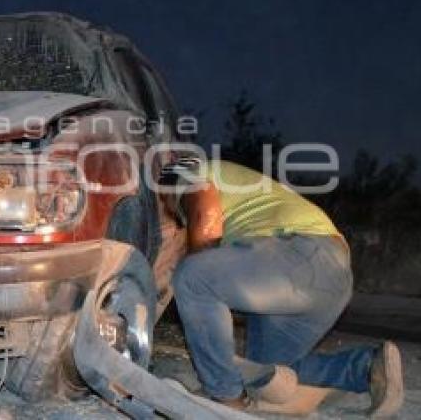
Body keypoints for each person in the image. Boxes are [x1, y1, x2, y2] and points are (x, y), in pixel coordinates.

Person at [160, 158, 404, 416]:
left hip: (300, 251)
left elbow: (205, 219)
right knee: (269, 371)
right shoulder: (243, 197)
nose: (167, 210)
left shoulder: (187, 172)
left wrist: (198, 279)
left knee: (193, 276)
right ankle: (364, 367)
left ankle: (225, 396)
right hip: (329, 277)